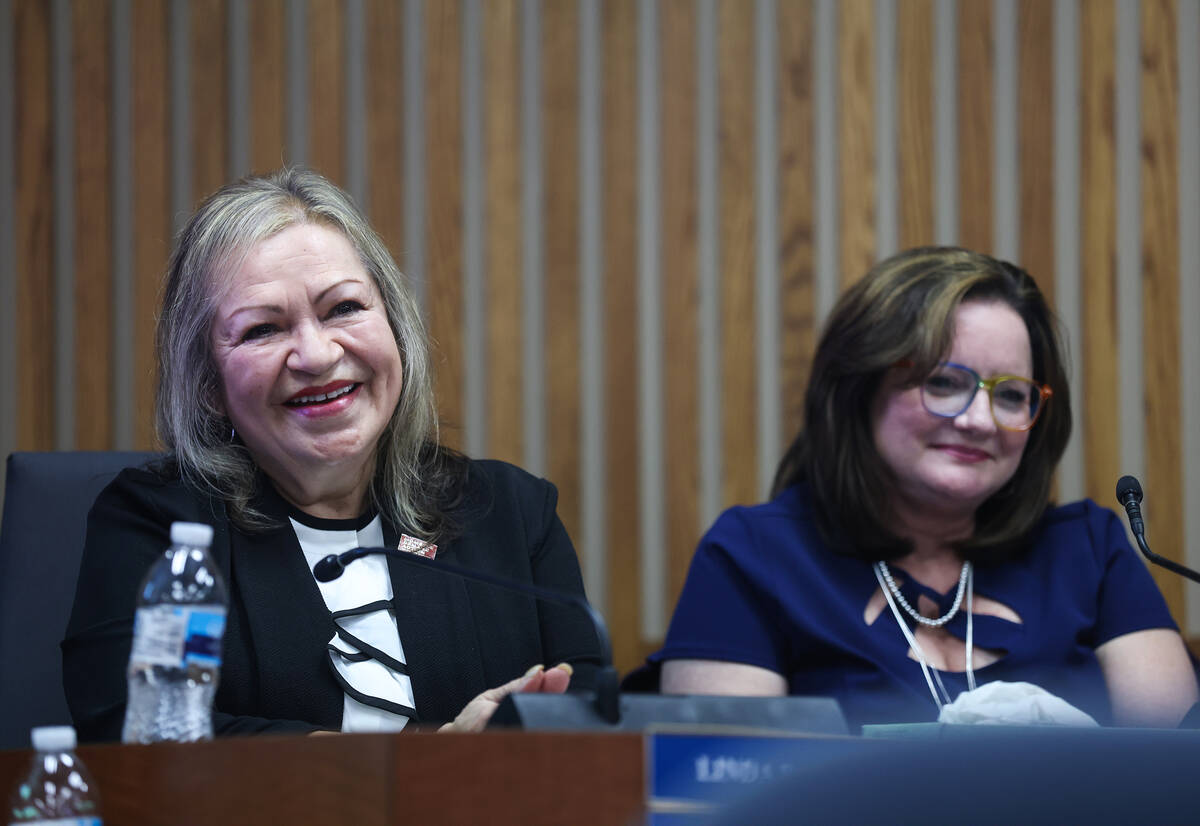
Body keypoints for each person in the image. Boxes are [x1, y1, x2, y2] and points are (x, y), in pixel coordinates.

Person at [62, 168, 601, 740]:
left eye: (343, 308)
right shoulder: (161, 530)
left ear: (395, 327)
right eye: (262, 329)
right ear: (208, 386)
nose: (316, 356)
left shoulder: (511, 514)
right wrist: (426, 762)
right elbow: (134, 732)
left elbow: (590, 719)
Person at [648, 246, 1198, 730]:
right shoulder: (755, 556)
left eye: (1010, 395)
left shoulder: (1089, 550)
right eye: (943, 382)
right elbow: (723, 786)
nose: (980, 419)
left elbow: (1175, 776)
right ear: (860, 389)